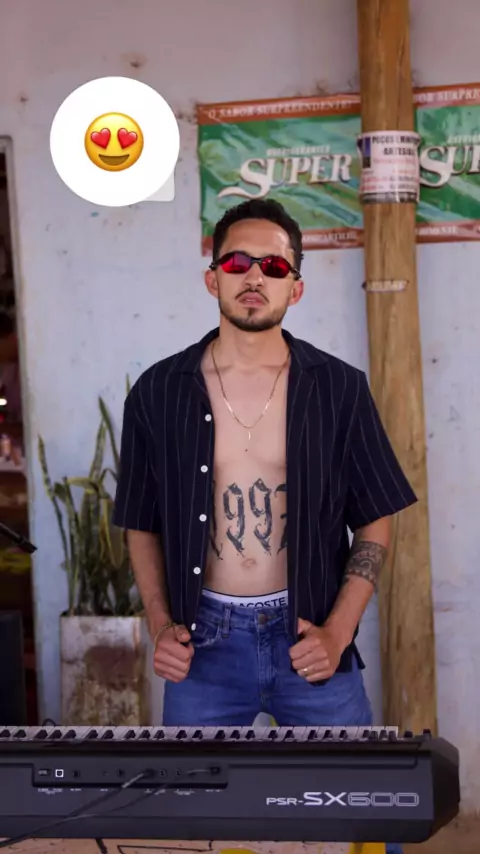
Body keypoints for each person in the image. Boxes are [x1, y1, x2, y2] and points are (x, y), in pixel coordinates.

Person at [113, 199, 416, 854]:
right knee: (193, 827)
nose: (255, 276)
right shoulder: (158, 392)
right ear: (212, 277)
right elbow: (140, 523)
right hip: (203, 644)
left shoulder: (340, 389)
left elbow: (376, 517)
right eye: (238, 263)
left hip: (309, 634)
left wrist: (339, 631)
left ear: (295, 287)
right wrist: (160, 626)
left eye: (274, 266)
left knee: (366, 815)